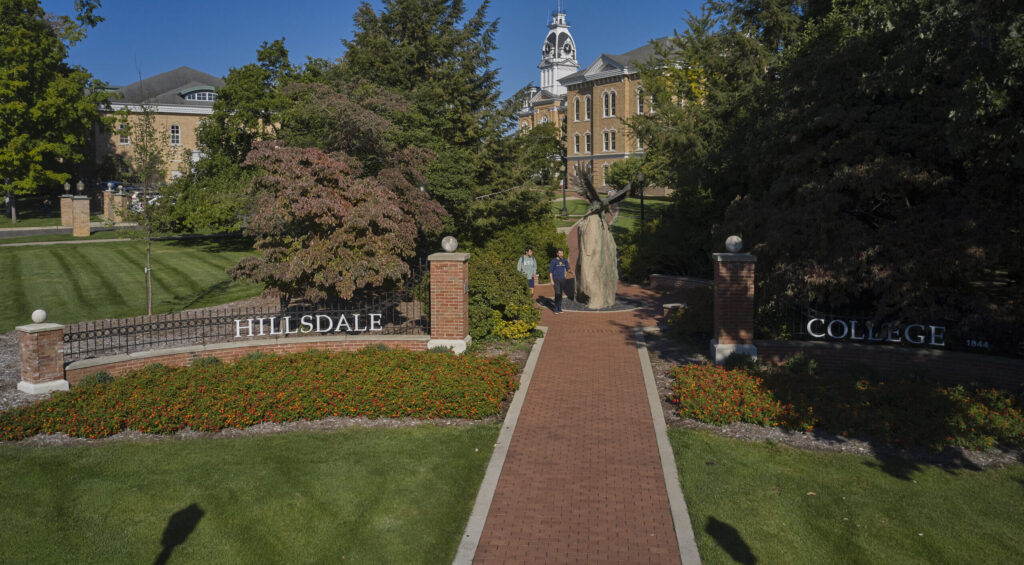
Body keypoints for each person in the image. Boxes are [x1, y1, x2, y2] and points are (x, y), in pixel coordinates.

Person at [548, 248, 572, 313]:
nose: (561, 254)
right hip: (556, 279)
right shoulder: (553, 261)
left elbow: (568, 269)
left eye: (562, 253)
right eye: (560, 253)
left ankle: (559, 308)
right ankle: (555, 308)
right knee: (557, 293)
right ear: (557, 254)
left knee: (560, 294)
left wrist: (571, 272)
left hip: (562, 279)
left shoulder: (564, 260)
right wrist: (551, 280)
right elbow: (550, 272)